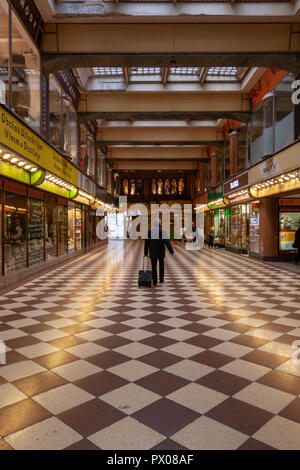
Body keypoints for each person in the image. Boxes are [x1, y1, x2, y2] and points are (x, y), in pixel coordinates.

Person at [144, 218, 174, 286]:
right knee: (161, 265)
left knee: (154, 266)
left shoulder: (150, 231)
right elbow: (167, 241)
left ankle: (154, 281)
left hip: (153, 251)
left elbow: (146, 242)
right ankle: (161, 279)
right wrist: (171, 251)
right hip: (161, 251)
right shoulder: (162, 231)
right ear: (160, 223)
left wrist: (145, 252)